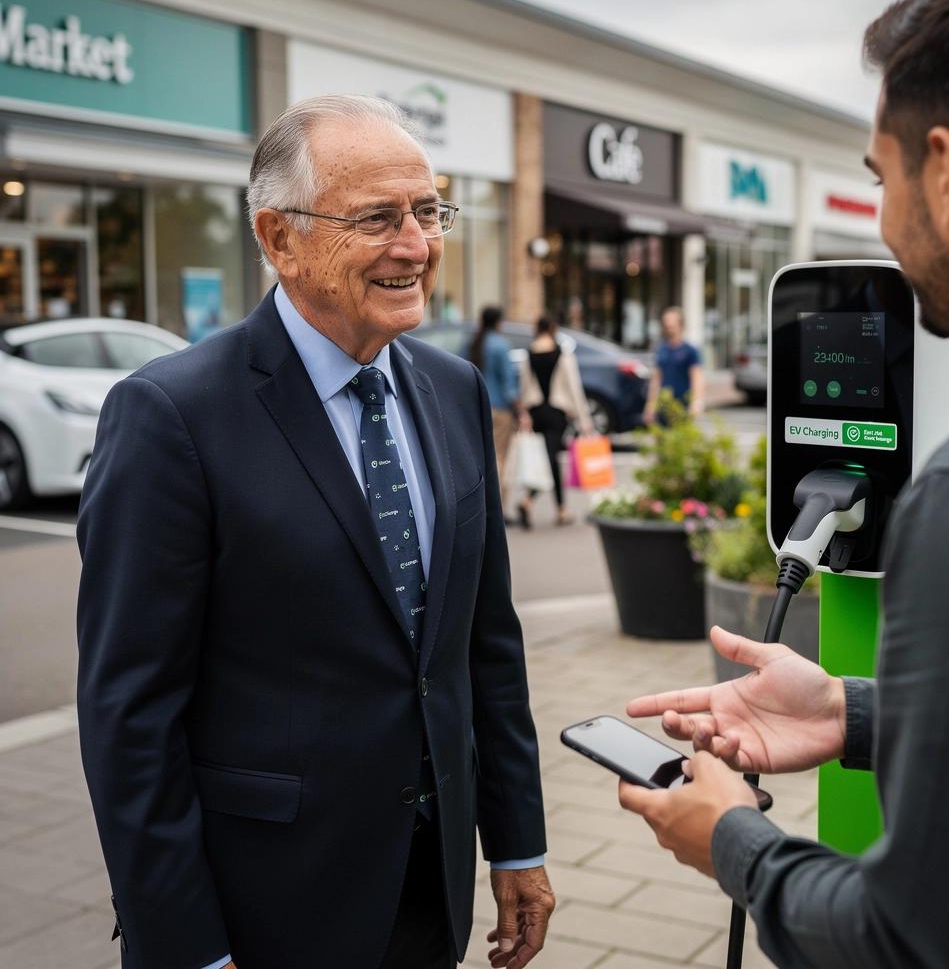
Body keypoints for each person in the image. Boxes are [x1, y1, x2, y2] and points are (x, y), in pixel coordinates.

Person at [77, 95, 554, 969]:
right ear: (278, 237)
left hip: (427, 892)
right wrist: (187, 949)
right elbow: (129, 718)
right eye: (377, 217)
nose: (416, 246)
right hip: (262, 911)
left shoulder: (452, 390)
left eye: (427, 210)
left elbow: (484, 644)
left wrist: (516, 841)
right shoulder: (170, 416)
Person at [618, 0, 949, 967]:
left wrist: (733, 844)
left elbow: (914, 941)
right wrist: (851, 709)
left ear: (947, 170)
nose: (885, 222)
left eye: (879, 179)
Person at [517, 314, 594, 528]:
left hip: (536, 411)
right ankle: (531, 501)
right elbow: (574, 388)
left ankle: (560, 509)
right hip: (556, 412)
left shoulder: (529, 354)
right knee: (550, 460)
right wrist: (584, 420)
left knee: (549, 460)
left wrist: (524, 414)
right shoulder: (563, 354)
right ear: (552, 328)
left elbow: (524, 386)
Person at [469, 306, 523, 514]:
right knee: (500, 457)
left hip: (476, 407)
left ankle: (482, 506)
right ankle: (497, 507)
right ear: (499, 322)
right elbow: (509, 384)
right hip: (500, 408)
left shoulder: (473, 343)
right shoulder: (501, 345)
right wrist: (520, 409)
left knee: (480, 457)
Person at [643, 306, 704, 422]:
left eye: (671, 321)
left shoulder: (690, 351)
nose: (668, 325)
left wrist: (697, 401)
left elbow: (697, 377)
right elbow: (656, 378)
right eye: (666, 321)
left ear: (681, 325)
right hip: (664, 405)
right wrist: (650, 405)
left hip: (683, 406)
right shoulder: (661, 349)